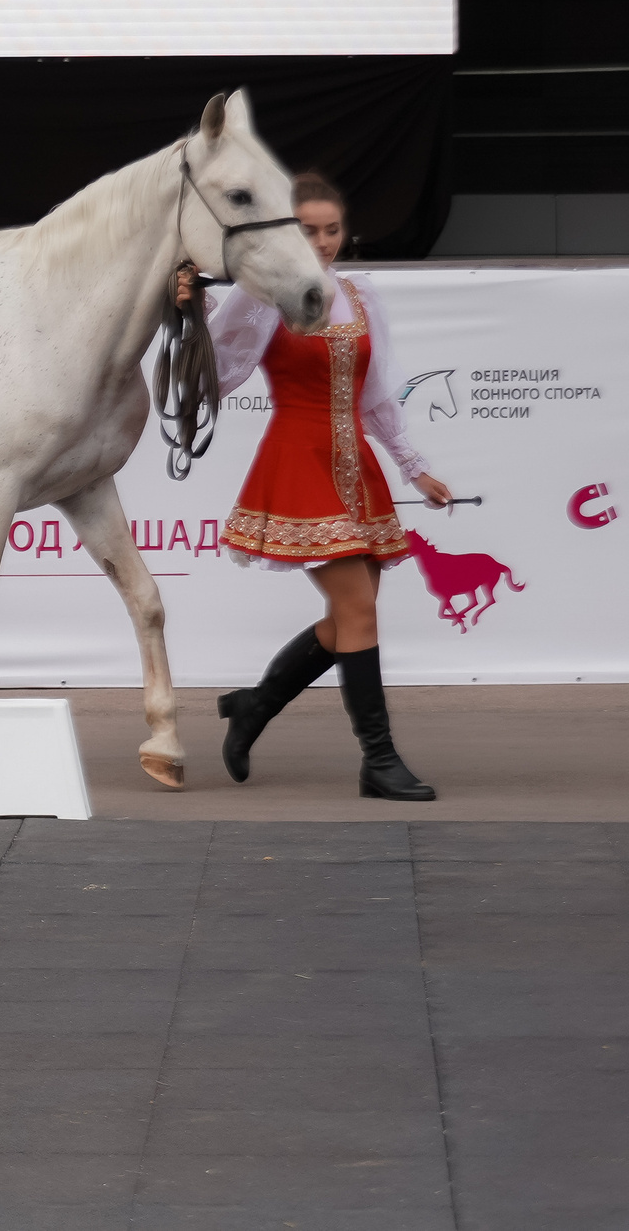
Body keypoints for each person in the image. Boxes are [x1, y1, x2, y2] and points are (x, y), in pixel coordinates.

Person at [179, 173, 453, 799]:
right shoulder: (260, 295)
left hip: (355, 463)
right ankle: (378, 762)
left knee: (351, 614)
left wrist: (414, 467)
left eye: (332, 230)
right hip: (298, 457)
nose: (324, 242)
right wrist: (191, 313)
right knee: (357, 610)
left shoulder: (359, 295)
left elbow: (378, 393)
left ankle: (255, 705)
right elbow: (215, 376)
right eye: (309, 230)